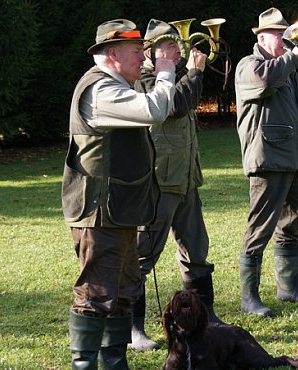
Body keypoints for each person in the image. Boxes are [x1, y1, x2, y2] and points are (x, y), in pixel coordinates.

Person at [61, 19, 176, 369]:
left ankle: (115, 363)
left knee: (125, 292)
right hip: (99, 214)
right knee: (95, 295)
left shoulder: (116, 85)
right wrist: (167, 71)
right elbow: (155, 110)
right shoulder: (101, 91)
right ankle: (84, 365)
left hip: (119, 211)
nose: (144, 59)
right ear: (112, 54)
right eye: (137, 51)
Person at [129, 19, 224, 352]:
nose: (177, 51)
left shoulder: (176, 81)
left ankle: (206, 315)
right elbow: (175, 105)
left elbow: (186, 102)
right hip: (159, 184)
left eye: (176, 45)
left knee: (197, 253)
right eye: (168, 47)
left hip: (185, 181)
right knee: (141, 258)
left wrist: (193, 73)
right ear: (149, 53)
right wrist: (195, 72)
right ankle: (134, 329)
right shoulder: (144, 84)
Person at [234, 7, 298, 318]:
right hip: (269, 159)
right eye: (278, 33)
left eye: (286, 32)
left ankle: (288, 289)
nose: (285, 38)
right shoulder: (251, 65)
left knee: (291, 224)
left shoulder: (289, 71)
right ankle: (250, 299)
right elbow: (264, 82)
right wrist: (292, 57)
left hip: (294, 160)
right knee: (260, 228)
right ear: (261, 37)